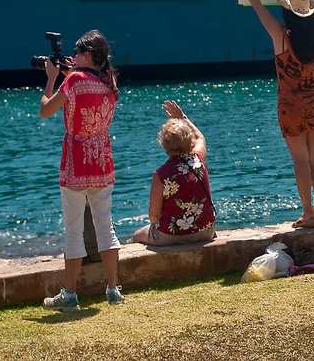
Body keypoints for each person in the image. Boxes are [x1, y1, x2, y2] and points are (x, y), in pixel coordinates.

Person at [233, 0, 314, 228]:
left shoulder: (280, 35)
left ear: (289, 13)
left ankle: (306, 212)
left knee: (300, 159)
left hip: (291, 105)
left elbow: (258, 7)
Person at [40, 30, 124, 310]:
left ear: (87, 55)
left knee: (73, 230)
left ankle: (69, 294)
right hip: (102, 159)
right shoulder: (109, 80)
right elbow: (87, 86)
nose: (73, 58)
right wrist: (69, 71)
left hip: (76, 161)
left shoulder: (74, 80)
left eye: (77, 53)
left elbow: (45, 110)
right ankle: (113, 288)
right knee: (105, 226)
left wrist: (52, 76)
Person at [132, 101, 216, 245]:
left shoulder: (160, 174)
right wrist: (182, 117)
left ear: (164, 146)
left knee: (137, 235)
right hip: (206, 231)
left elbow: (154, 216)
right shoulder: (198, 161)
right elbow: (201, 138)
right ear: (190, 141)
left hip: (171, 235)